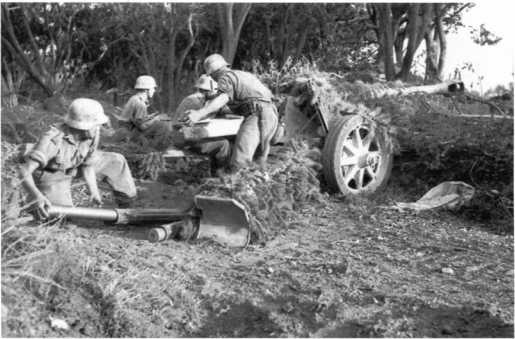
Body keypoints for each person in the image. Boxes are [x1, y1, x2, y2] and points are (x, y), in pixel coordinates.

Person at [19, 98, 137, 219]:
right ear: (84, 126)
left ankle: (126, 210)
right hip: (53, 175)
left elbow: (87, 164)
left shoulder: (92, 134)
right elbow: (24, 171)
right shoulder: (53, 140)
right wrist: (36, 196)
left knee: (116, 161)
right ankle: (31, 202)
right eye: (96, 125)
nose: (99, 128)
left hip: (75, 167)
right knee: (57, 214)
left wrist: (94, 191)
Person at [182, 54, 279, 171]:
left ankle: (235, 186)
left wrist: (198, 114)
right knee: (258, 160)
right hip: (270, 114)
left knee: (239, 161)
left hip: (258, 114)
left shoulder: (225, 77)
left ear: (213, 73)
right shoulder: (243, 75)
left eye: (212, 76)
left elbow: (222, 98)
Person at [173, 75, 231, 171]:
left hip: (180, 136)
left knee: (216, 140)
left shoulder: (192, 98)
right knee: (224, 144)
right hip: (186, 139)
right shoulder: (197, 102)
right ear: (212, 89)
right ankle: (219, 174)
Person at [119, 75, 172, 150]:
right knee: (164, 124)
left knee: (162, 119)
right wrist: (157, 119)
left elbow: (138, 120)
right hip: (129, 133)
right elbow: (142, 126)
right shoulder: (140, 103)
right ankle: (155, 149)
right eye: (153, 88)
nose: (154, 91)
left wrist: (151, 117)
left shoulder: (134, 98)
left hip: (127, 130)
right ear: (147, 90)